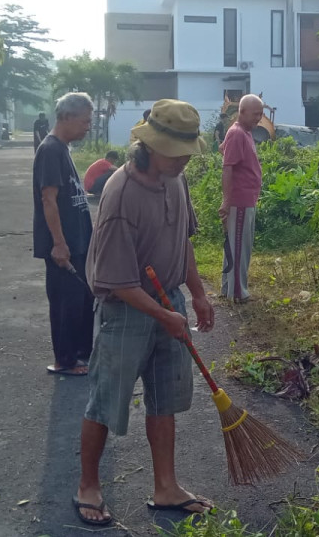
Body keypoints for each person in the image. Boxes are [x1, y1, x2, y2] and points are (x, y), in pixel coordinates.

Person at [73, 99, 216, 527]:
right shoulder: (121, 194)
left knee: (164, 398)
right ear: (151, 146)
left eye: (189, 150)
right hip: (126, 310)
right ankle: (88, 486)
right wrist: (164, 315)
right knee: (106, 401)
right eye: (177, 150)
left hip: (168, 298)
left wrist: (198, 293)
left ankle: (166, 487)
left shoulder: (177, 179)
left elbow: (183, 240)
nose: (185, 159)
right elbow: (117, 281)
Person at [34, 92, 96, 377]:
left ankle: (82, 355)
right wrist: (59, 243)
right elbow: (49, 199)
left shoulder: (63, 149)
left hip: (78, 242)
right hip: (64, 246)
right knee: (66, 304)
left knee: (83, 300)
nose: (88, 127)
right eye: (84, 121)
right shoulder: (50, 150)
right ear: (67, 117)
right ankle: (65, 360)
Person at [219, 94, 264, 302]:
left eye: (261, 114)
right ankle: (237, 293)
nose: (259, 118)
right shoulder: (237, 133)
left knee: (238, 247)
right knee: (238, 248)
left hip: (247, 201)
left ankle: (229, 288)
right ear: (242, 112)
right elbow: (227, 167)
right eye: (255, 114)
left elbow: (224, 151)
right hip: (239, 201)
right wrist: (227, 201)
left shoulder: (243, 132)